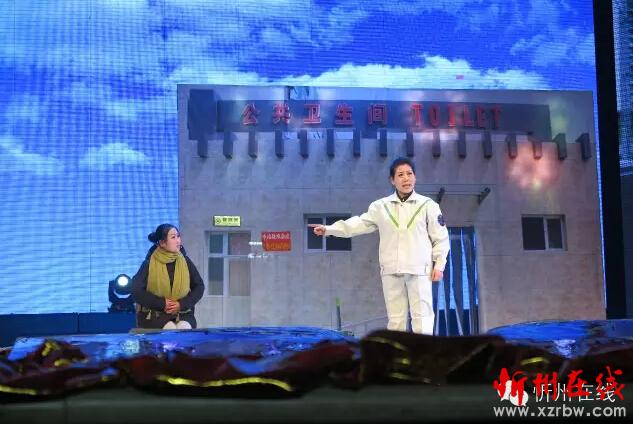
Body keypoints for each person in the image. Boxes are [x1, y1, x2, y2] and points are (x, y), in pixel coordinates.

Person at [310, 157, 450, 335]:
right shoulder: (380, 206)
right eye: (400, 175)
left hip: (419, 270)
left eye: (409, 174)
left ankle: (423, 352)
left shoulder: (428, 205)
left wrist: (439, 265)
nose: (406, 178)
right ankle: (396, 353)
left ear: (415, 177)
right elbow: (358, 224)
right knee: (396, 320)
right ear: (392, 180)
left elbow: (441, 238)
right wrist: (329, 229)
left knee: (422, 318)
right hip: (391, 270)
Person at [132, 224, 204, 329]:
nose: (178, 241)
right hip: (154, 314)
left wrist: (181, 304)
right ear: (162, 243)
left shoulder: (185, 261)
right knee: (170, 329)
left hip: (182, 313)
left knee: (184, 328)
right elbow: (136, 291)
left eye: (178, 236)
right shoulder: (149, 263)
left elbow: (199, 286)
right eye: (173, 237)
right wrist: (162, 303)